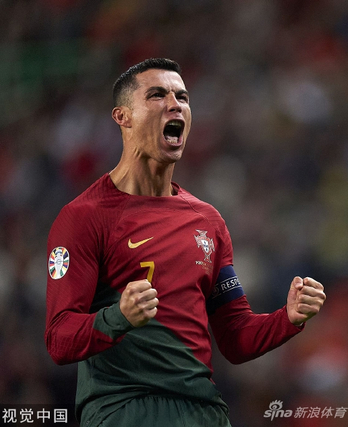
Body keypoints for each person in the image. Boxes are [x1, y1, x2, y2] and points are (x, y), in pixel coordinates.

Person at [44, 58, 326, 427]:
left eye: (183, 97)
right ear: (123, 117)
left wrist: (287, 318)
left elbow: (235, 336)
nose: (175, 104)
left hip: (203, 411)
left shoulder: (207, 221)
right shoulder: (83, 217)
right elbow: (59, 339)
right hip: (125, 409)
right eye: (157, 95)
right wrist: (118, 317)